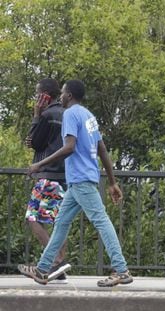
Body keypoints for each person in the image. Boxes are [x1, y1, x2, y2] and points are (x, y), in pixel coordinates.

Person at [18, 79, 133, 287]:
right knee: (61, 223)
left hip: (80, 179)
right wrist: (112, 182)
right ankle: (43, 269)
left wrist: (38, 165)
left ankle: (121, 269)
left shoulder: (70, 114)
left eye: (62, 93)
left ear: (69, 95)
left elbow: (69, 147)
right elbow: (103, 150)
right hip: (79, 180)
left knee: (101, 221)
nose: (60, 96)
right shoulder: (89, 116)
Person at [24, 78, 71, 284]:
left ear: (45, 95)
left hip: (47, 175)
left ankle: (55, 261)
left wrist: (36, 116)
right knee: (58, 223)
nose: (36, 97)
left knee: (32, 219)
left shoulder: (47, 114)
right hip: (64, 176)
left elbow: (34, 142)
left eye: (37, 93)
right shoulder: (67, 114)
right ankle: (59, 267)